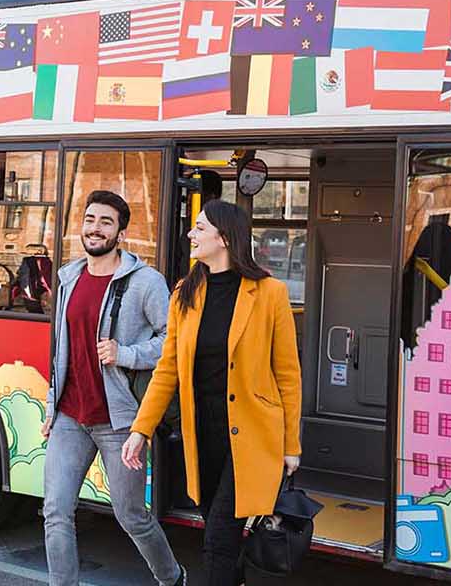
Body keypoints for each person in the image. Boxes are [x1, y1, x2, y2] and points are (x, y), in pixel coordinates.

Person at [122, 199, 303, 586]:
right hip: (202, 437)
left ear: (224, 237)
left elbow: (288, 374)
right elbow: (167, 369)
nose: (191, 233)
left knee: (218, 538)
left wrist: (291, 446)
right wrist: (141, 430)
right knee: (222, 535)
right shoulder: (185, 293)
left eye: (200, 227)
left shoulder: (270, 293)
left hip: (253, 438)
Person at [42, 191, 184, 586]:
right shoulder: (69, 278)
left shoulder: (146, 282)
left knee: (131, 516)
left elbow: (172, 340)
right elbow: (60, 350)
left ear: (120, 232)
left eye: (106, 221)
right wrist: (52, 407)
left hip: (119, 421)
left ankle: (172, 577)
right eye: (90, 219)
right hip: (71, 416)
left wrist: (126, 353)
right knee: (55, 510)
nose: (95, 228)